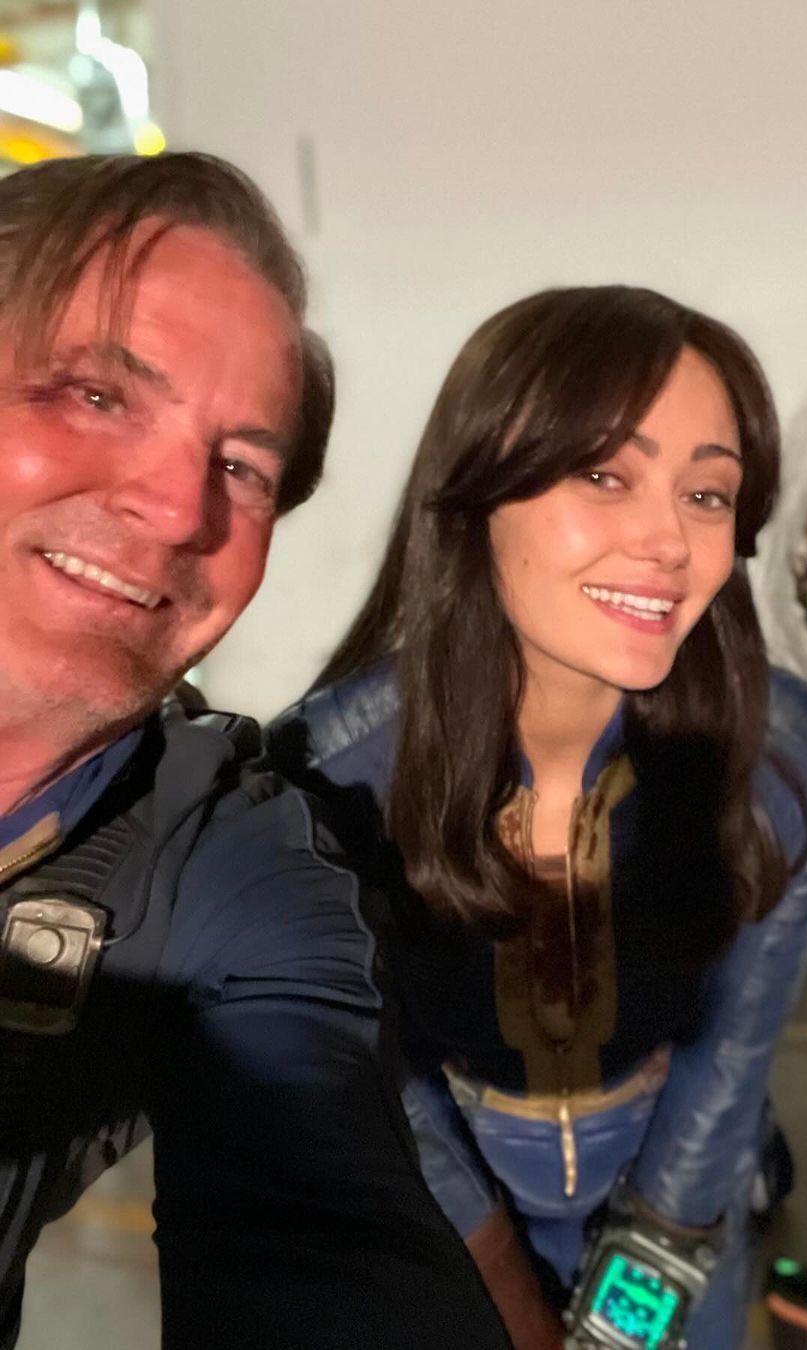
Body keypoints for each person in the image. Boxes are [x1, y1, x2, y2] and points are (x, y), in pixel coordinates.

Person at [270, 285, 807, 1348]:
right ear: (477, 489)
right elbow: (377, 1079)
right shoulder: (323, 774)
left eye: (707, 494)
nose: (668, 541)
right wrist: (503, 1285)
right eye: (604, 475)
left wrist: (652, 1271)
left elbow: (732, 1059)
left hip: (681, 1182)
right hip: (440, 1197)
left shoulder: (790, 758)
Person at [0, 152, 508, 1349]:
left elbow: (328, 1218)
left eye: (242, 467)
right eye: (95, 394)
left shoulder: (226, 861)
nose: (182, 509)